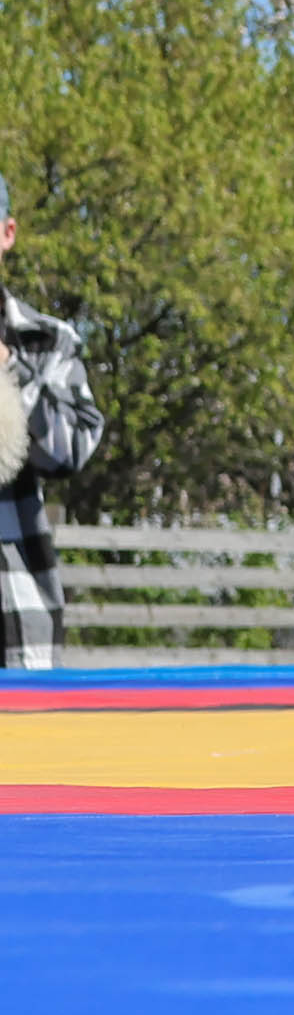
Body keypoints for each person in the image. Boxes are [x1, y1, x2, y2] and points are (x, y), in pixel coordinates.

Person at [0, 173, 105, 670]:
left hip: (14, 616)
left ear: (7, 234)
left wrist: (8, 366)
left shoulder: (45, 341)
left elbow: (71, 451)